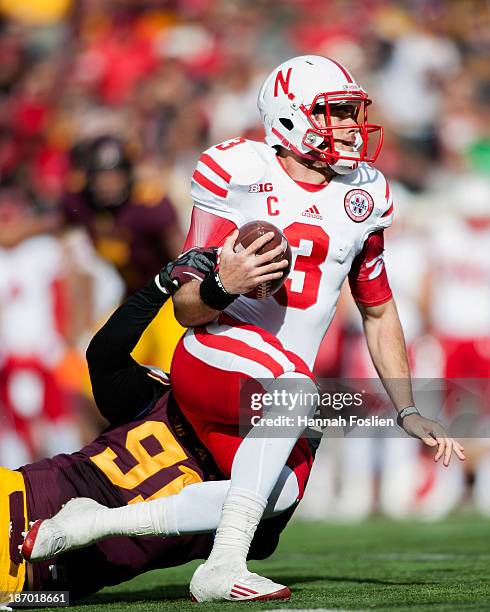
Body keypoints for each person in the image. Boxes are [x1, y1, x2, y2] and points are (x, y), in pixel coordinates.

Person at [24, 55, 465, 604]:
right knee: (298, 389)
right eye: (337, 112)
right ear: (288, 120)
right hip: (215, 354)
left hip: (277, 390)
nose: (352, 126)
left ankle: (95, 522)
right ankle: (222, 566)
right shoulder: (236, 169)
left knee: (274, 497)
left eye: (354, 112)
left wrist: (406, 407)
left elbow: (376, 307)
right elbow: (186, 306)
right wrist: (223, 284)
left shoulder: (367, 192)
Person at [3, 249, 313, 608]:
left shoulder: (250, 495)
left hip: (41, 577)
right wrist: (161, 286)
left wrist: (160, 286)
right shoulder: (163, 394)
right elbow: (103, 356)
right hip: (23, 502)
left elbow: (263, 526)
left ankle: (96, 523)